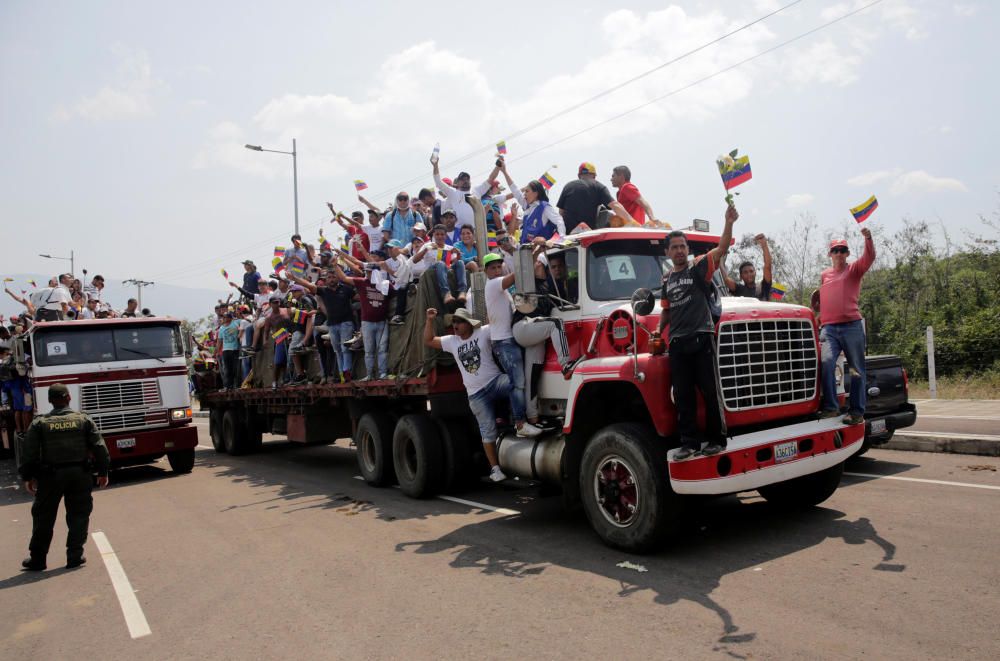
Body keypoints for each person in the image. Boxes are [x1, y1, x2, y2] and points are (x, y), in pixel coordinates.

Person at [657, 203, 739, 460]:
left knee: (710, 392)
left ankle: (717, 440)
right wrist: (658, 333)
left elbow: (722, 248)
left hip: (702, 338)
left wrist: (729, 222)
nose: (679, 250)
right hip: (677, 344)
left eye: (683, 246)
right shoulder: (667, 280)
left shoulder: (698, 267)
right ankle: (689, 444)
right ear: (668, 252)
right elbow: (667, 311)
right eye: (675, 247)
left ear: (688, 250)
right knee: (683, 398)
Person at [18, 383, 110, 571]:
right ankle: (74, 556)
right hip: (80, 474)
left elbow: (29, 453)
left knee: (43, 517)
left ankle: (38, 559)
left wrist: (28, 477)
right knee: (79, 515)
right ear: (69, 398)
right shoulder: (83, 420)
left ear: (50, 401)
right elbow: (100, 447)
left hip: (50, 476)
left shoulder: (40, 423)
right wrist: (103, 472)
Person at [423, 307, 513, 482]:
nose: (455, 325)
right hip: (476, 395)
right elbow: (428, 340)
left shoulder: (483, 332)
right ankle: (495, 469)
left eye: (459, 322)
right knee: (487, 431)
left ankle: (520, 421)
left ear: (468, 323)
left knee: (516, 383)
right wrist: (429, 320)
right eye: (453, 322)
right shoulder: (452, 341)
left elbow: (500, 325)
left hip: (495, 383)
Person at [480, 253, 542, 438]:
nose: (497, 270)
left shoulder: (500, 288)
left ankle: (519, 419)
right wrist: (531, 258)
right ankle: (520, 424)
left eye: (499, 267)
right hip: (504, 342)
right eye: (493, 268)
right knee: (518, 383)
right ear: (485, 271)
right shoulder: (493, 284)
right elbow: (515, 276)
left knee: (519, 382)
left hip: (507, 340)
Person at [819, 228, 876, 425]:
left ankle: (857, 411)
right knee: (826, 362)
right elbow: (823, 300)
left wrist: (868, 238)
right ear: (830, 254)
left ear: (848, 254)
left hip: (851, 326)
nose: (840, 254)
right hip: (829, 329)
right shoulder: (824, 275)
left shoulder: (854, 270)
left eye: (843, 250)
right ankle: (831, 407)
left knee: (856, 369)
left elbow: (869, 258)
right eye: (836, 250)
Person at [291, 271, 355, 383]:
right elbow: (309, 286)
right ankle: (342, 375)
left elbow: (359, 297)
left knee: (345, 349)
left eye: (334, 276)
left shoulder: (346, 289)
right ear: (326, 280)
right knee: (338, 351)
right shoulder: (324, 291)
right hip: (332, 325)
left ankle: (346, 372)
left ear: (338, 278)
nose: (331, 279)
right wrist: (295, 278)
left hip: (346, 323)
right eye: (329, 277)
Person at [332, 262, 389, 380]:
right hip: (367, 323)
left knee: (382, 349)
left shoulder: (386, 284)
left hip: (382, 322)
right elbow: (343, 278)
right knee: (369, 351)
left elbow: (394, 296)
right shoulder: (362, 282)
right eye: (367, 271)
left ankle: (383, 374)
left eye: (370, 271)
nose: (367, 273)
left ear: (377, 273)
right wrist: (335, 265)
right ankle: (369, 375)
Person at [499, 160, 565, 244]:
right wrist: (504, 172)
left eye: (527, 191)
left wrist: (562, 238)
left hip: (541, 250)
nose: (524, 194)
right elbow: (515, 190)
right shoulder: (527, 205)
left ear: (535, 193)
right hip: (526, 249)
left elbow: (559, 220)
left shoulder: (545, 207)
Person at [556, 162, 635, 233]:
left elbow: (561, 212)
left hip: (569, 236)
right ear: (594, 175)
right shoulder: (598, 186)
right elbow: (615, 206)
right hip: (588, 234)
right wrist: (633, 222)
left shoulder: (568, 186)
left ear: (579, 175)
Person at [723, 233, 773, 300]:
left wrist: (764, 245)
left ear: (755, 273)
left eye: (751, 271)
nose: (749, 274)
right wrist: (719, 257)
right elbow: (726, 279)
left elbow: (768, 266)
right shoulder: (739, 289)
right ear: (741, 276)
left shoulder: (764, 287)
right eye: (745, 272)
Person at [218, 311, 241, 390]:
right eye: (223, 317)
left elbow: (245, 321)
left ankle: (236, 385)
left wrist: (240, 334)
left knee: (235, 368)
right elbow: (219, 341)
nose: (224, 319)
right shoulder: (221, 328)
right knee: (227, 369)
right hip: (225, 350)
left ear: (230, 318)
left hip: (234, 349)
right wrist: (217, 351)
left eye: (225, 317)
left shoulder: (235, 323)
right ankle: (228, 386)